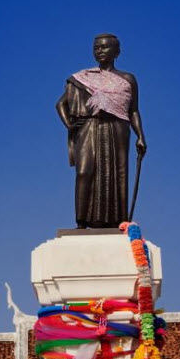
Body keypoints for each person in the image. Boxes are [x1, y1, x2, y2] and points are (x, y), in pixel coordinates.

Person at [56, 34, 147, 229]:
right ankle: (81, 222)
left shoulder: (127, 79)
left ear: (117, 52)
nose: (100, 51)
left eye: (105, 47)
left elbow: (133, 110)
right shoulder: (82, 78)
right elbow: (60, 104)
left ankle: (115, 221)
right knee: (84, 172)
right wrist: (70, 126)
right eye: (96, 47)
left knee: (116, 175)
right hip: (89, 127)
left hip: (117, 129)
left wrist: (141, 136)